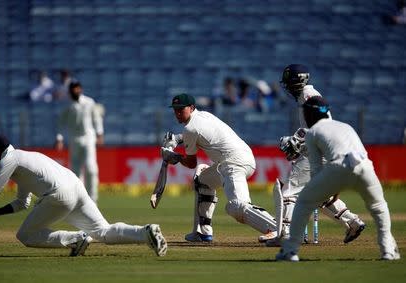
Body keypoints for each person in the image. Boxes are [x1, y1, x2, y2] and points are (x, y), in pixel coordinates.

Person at [0, 134, 167, 257]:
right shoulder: (22, 160)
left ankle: (76, 239)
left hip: (58, 195)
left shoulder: (11, 160)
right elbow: (21, 203)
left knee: (24, 235)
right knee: (103, 231)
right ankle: (145, 232)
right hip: (75, 187)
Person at [276, 97, 401, 261]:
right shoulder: (346, 126)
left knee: (303, 201)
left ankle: (290, 250)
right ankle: (388, 250)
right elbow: (359, 153)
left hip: (338, 167)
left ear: (308, 115)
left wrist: (325, 189)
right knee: (378, 206)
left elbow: (316, 170)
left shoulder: (312, 133)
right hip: (365, 166)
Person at [261, 64, 365, 246]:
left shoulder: (310, 96)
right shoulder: (305, 97)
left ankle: (286, 234)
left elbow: (322, 124)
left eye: (288, 83)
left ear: (296, 82)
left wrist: (297, 139)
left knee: (288, 192)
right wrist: (299, 139)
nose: (286, 87)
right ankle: (353, 222)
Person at [161, 93, 277, 242]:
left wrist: (174, 157)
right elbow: (195, 134)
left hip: (234, 163)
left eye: (180, 109)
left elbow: (191, 163)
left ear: (191, 108)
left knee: (236, 206)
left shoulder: (191, 128)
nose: (177, 113)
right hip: (238, 159)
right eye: (175, 109)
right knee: (202, 181)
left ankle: (277, 229)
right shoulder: (204, 116)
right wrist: (177, 139)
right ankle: (203, 232)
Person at [56, 81, 104, 203]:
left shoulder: (89, 102)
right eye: (73, 89)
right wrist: (59, 139)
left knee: (91, 168)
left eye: (78, 89)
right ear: (70, 91)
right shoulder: (68, 106)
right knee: (75, 171)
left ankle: (93, 199)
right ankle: (78, 200)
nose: (76, 91)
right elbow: (61, 124)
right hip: (74, 139)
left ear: (81, 89)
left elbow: (96, 118)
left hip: (89, 138)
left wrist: (99, 134)